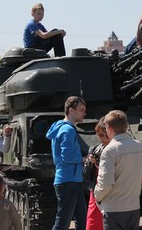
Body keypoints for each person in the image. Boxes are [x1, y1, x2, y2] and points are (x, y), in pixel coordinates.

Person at [94, 110, 142, 230]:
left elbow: (105, 184)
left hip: (113, 208)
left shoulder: (109, 150)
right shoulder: (140, 146)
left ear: (109, 128)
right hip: (133, 206)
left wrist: (97, 196)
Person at [46, 96, 88, 230]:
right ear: (71, 110)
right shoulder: (68, 130)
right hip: (69, 181)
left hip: (71, 180)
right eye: (81, 110)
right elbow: (67, 157)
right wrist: (83, 159)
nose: (84, 113)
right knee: (63, 222)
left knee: (81, 220)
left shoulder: (61, 128)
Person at [85, 118, 111, 230]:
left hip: (113, 193)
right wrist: (91, 163)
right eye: (100, 135)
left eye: (106, 135)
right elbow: (86, 175)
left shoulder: (118, 149)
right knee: (93, 224)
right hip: (97, 191)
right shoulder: (95, 149)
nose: (103, 138)